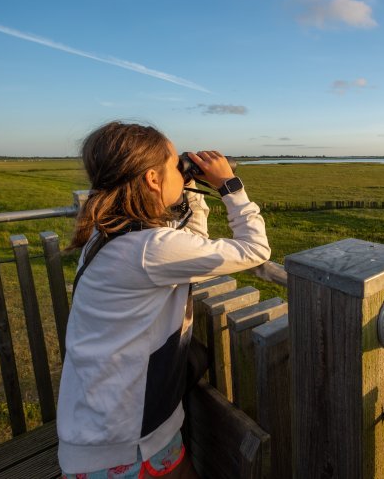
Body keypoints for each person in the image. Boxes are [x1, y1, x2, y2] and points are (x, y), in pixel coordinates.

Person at [57, 120, 270, 478]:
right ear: (153, 180)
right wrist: (229, 186)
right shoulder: (149, 248)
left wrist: (190, 196)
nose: (182, 170)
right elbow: (256, 249)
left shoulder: (110, 231)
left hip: (108, 424)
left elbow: (190, 249)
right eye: (176, 165)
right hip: (123, 441)